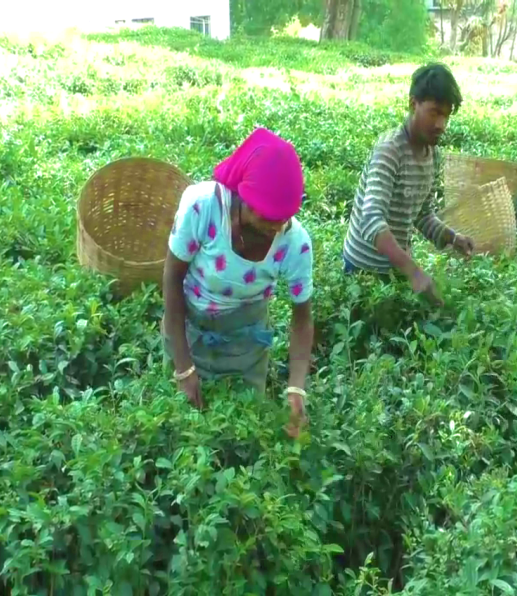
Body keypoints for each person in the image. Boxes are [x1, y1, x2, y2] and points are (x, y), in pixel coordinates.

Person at [161, 128, 314, 438]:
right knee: (180, 426)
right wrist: (183, 366)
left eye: (283, 219)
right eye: (267, 217)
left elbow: (302, 318)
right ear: (243, 195)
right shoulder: (202, 206)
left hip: (246, 343)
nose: (276, 228)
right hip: (189, 328)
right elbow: (172, 279)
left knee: (244, 430)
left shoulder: (295, 243)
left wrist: (296, 388)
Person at [342, 62, 475, 306]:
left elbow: (421, 215)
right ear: (413, 104)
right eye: (434, 112)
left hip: (395, 269)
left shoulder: (432, 156)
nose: (441, 125)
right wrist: (413, 272)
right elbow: (371, 219)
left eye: (446, 115)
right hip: (363, 270)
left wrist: (453, 237)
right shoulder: (390, 150)